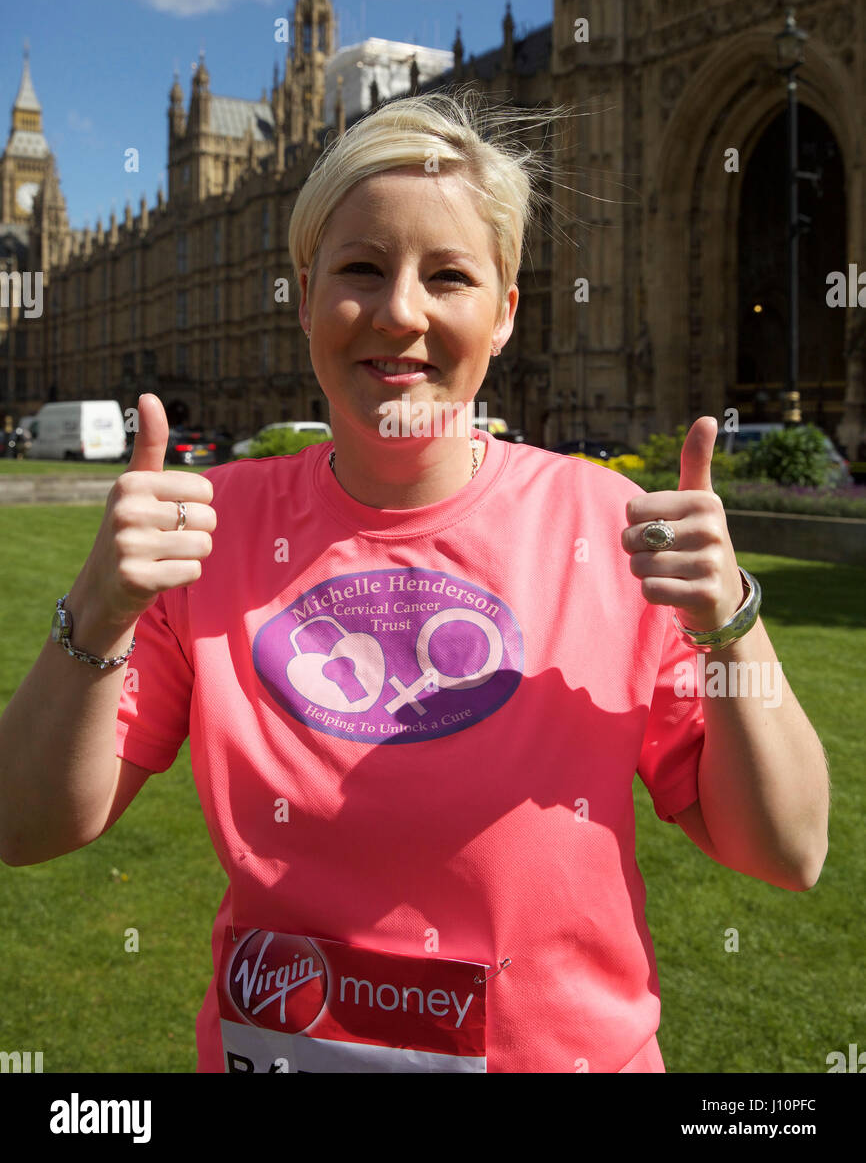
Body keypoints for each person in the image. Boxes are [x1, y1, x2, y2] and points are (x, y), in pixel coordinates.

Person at [0, 90, 829, 1074]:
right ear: (302, 294)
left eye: (447, 275)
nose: (400, 311)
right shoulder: (209, 531)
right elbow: (24, 825)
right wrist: (98, 609)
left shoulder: (604, 530)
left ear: (505, 312)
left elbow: (784, 849)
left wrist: (732, 621)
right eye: (359, 268)